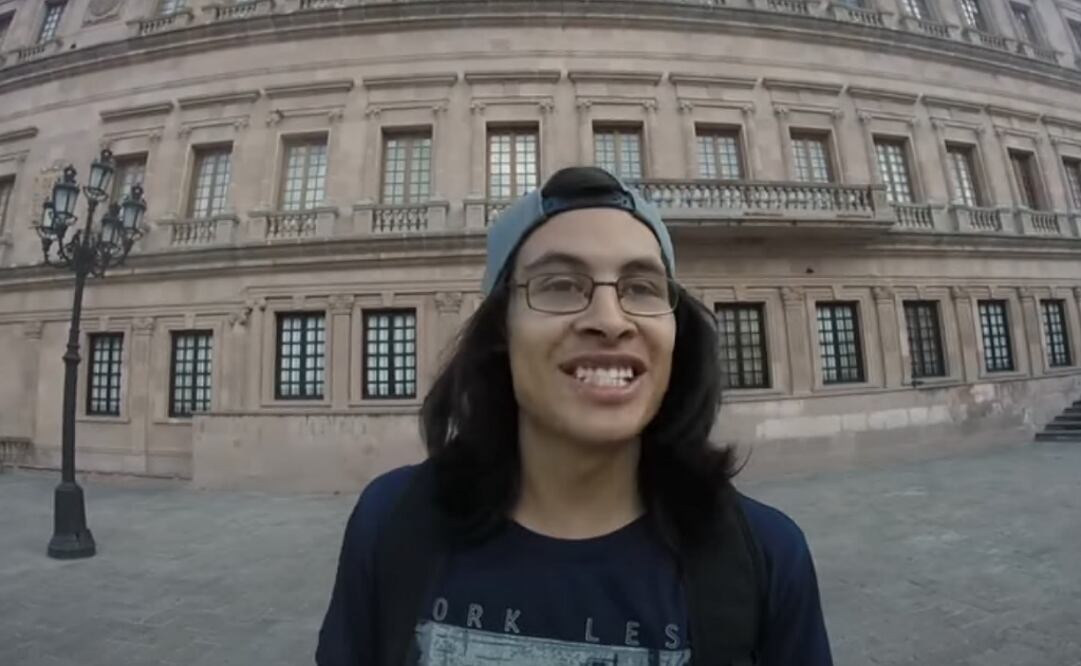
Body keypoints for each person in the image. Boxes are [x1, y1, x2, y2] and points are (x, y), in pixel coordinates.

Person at [316, 166, 833, 665]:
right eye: (559, 285)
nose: (610, 320)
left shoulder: (767, 555)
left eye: (641, 288)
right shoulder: (389, 522)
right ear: (501, 333)